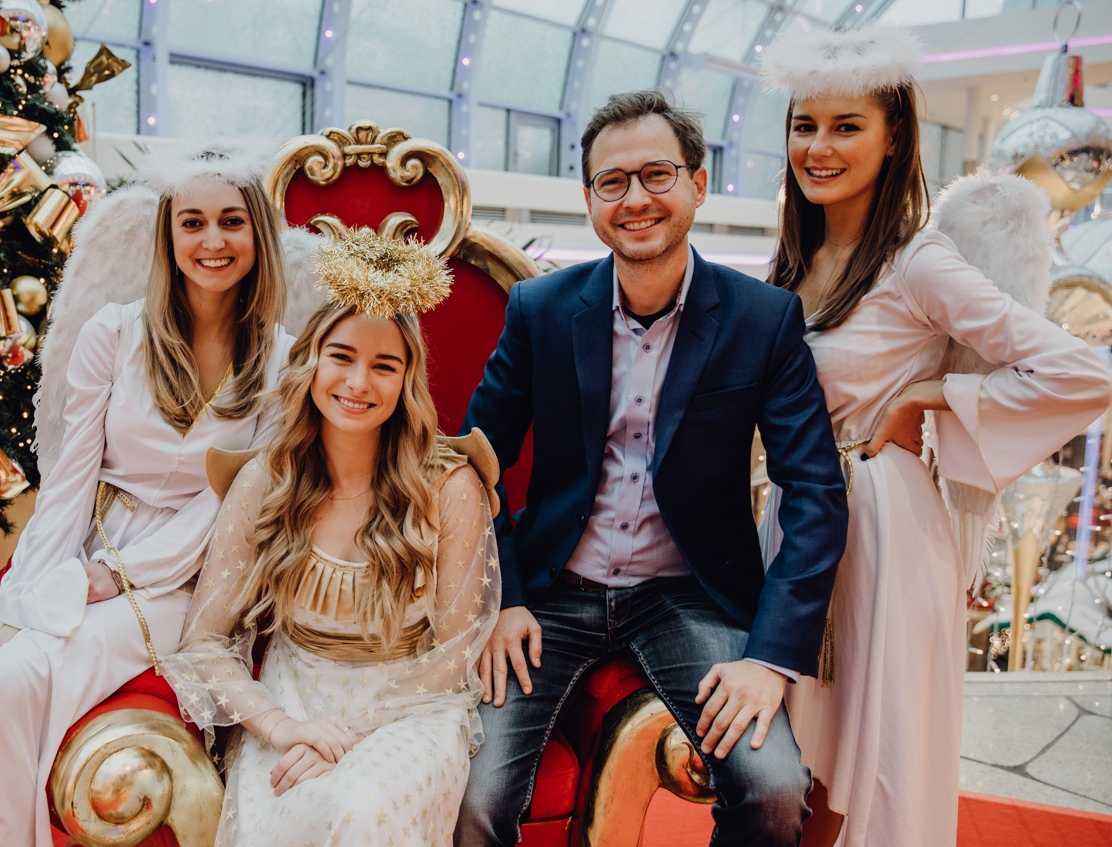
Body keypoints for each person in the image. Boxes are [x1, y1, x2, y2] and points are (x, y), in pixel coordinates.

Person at [455, 90, 849, 847]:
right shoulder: (540, 309)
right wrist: (501, 597)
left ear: (697, 184)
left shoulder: (762, 319)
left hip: (689, 595)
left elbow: (814, 490)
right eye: (612, 181)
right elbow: (474, 462)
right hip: (551, 592)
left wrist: (771, 657)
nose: (634, 198)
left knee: (772, 791)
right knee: (472, 794)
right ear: (590, 200)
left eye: (656, 175)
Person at [758, 24, 1112, 847]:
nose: (818, 146)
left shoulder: (917, 262)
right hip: (797, 520)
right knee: (793, 767)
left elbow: (1081, 371)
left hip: (882, 530)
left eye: (846, 126)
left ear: (893, 138)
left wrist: (932, 396)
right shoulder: (792, 260)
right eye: (804, 125)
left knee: (867, 759)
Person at [0, 144, 296, 847]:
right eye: (193, 222)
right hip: (90, 550)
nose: (212, 240)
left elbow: (238, 505)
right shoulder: (112, 332)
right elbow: (69, 483)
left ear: (258, 233)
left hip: (194, 582)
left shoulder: (284, 361)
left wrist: (118, 575)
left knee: (6, 690)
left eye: (231, 221)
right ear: (168, 235)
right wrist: (28, 596)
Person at [162, 228, 501, 847]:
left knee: (360, 808)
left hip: (408, 707)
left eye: (384, 366)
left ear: (408, 381)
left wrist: (353, 733)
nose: (358, 382)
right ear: (311, 361)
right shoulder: (265, 480)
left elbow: (456, 653)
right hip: (293, 698)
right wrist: (281, 727)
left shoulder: (450, 487)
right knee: (296, 810)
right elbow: (204, 641)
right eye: (342, 356)